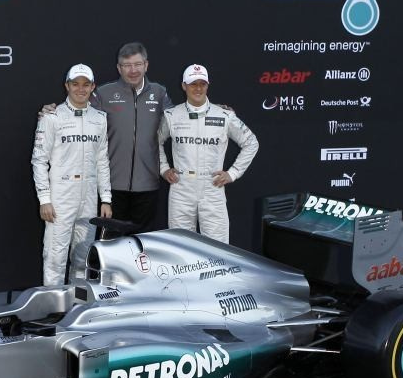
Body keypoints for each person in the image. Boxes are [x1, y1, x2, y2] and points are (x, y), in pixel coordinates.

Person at [42, 42, 172, 231]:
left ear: (146, 65)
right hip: (112, 187)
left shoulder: (159, 93)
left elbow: (180, 119)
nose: (133, 70)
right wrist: (51, 111)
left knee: (143, 242)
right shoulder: (104, 93)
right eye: (127, 65)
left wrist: (213, 111)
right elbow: (78, 109)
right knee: (112, 242)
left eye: (137, 64)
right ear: (119, 68)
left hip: (148, 185)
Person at [157, 64, 259, 243]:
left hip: (213, 187)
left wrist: (233, 173)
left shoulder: (224, 115)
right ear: (184, 86)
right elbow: (154, 143)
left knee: (217, 248)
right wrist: (164, 169)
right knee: (180, 246)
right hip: (181, 188)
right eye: (193, 84)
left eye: (202, 84)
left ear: (208, 85)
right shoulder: (171, 115)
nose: (198, 88)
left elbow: (251, 142)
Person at [31, 64, 112, 286]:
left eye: (86, 84)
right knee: (55, 256)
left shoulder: (100, 118)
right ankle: (53, 302)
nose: (80, 89)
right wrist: (44, 199)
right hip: (61, 197)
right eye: (75, 84)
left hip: (89, 198)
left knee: (82, 256)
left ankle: (77, 301)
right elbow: (39, 160)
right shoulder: (52, 117)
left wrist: (106, 198)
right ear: (67, 86)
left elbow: (102, 160)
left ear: (93, 87)